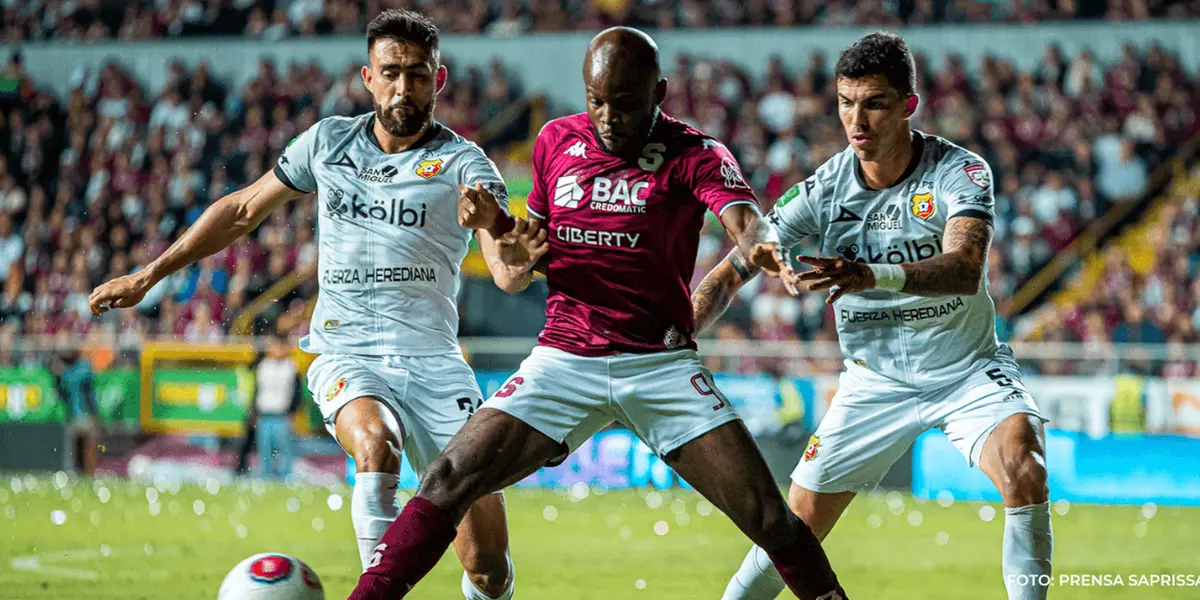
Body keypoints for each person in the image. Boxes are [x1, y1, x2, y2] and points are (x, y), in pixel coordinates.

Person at [347, 27, 847, 600]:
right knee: (447, 479)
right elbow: (520, 258)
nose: (608, 117)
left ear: (658, 93)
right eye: (596, 100)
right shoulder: (556, 141)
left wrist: (760, 245)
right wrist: (504, 235)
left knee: (771, 519)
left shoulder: (697, 153)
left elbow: (743, 218)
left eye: (625, 103)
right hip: (564, 358)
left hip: (658, 365)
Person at [89, 9, 541, 600]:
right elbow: (244, 209)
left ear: (440, 78)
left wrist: (510, 239)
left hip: (434, 362)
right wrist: (151, 274)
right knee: (376, 443)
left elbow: (507, 275)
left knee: (486, 562)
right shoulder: (329, 142)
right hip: (346, 352)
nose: (405, 87)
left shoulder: (464, 165)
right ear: (368, 77)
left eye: (418, 74)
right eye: (392, 72)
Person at [696, 32, 1053, 600]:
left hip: (965, 371)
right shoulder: (823, 189)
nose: (855, 120)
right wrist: (678, 333)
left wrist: (871, 275)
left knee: (1024, 462)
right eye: (844, 102)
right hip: (873, 385)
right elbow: (735, 268)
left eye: (875, 103)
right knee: (791, 534)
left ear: (909, 105)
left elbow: (965, 266)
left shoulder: (959, 172)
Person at [251, 334, 304, 480]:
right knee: (265, 450)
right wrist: (254, 411)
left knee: (285, 450)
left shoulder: (290, 367)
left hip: (282, 415)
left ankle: (287, 477)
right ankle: (266, 477)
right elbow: (257, 390)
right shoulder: (263, 366)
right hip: (265, 415)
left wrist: (293, 411)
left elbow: (297, 392)